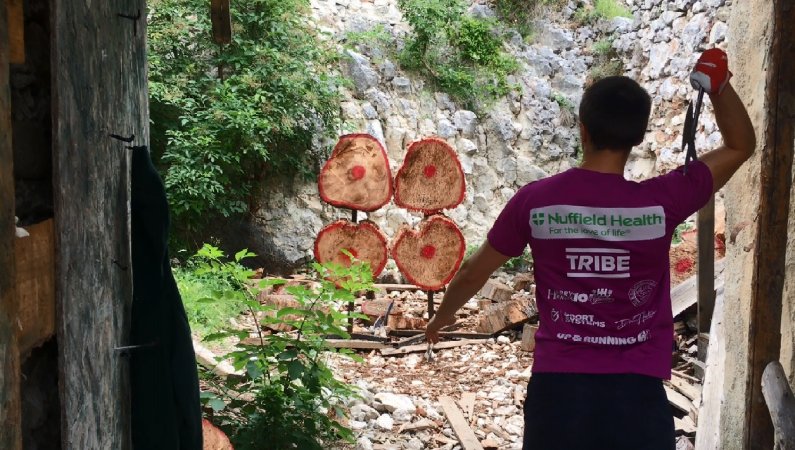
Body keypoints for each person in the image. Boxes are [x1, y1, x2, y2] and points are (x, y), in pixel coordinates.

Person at [424, 49, 755, 450]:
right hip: (638, 394)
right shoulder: (663, 201)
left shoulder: (535, 201)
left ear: (583, 129)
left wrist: (441, 317)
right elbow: (740, 146)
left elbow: (474, 272)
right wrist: (718, 87)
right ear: (638, 137)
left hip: (558, 394)